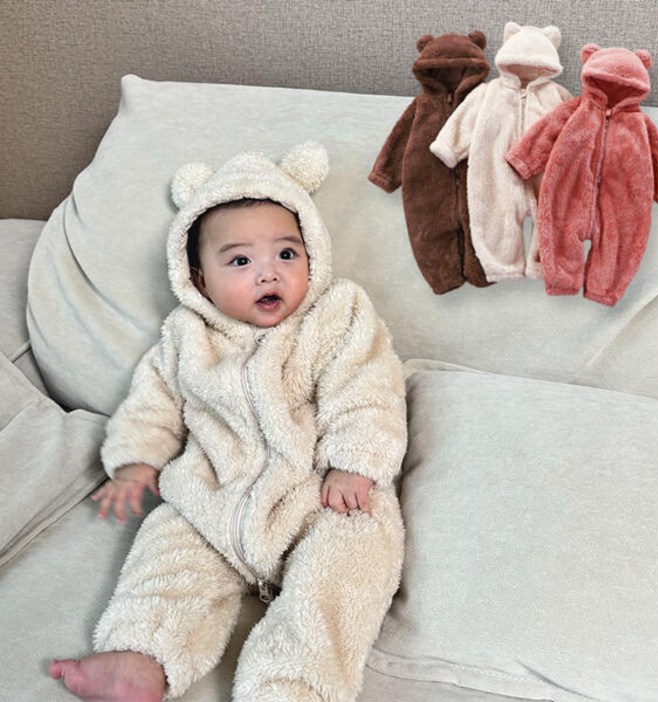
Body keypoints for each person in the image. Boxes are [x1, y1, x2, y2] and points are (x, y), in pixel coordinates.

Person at [50, 142, 407, 702]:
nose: (268, 273)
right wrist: (137, 460)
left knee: (349, 566)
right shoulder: (186, 337)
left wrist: (354, 462)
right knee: (168, 555)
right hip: (215, 496)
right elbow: (153, 401)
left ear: (313, 253)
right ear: (198, 280)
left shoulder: (338, 314)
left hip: (320, 495)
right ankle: (139, 654)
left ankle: (290, 685)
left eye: (286, 254)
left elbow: (368, 385)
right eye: (240, 261)